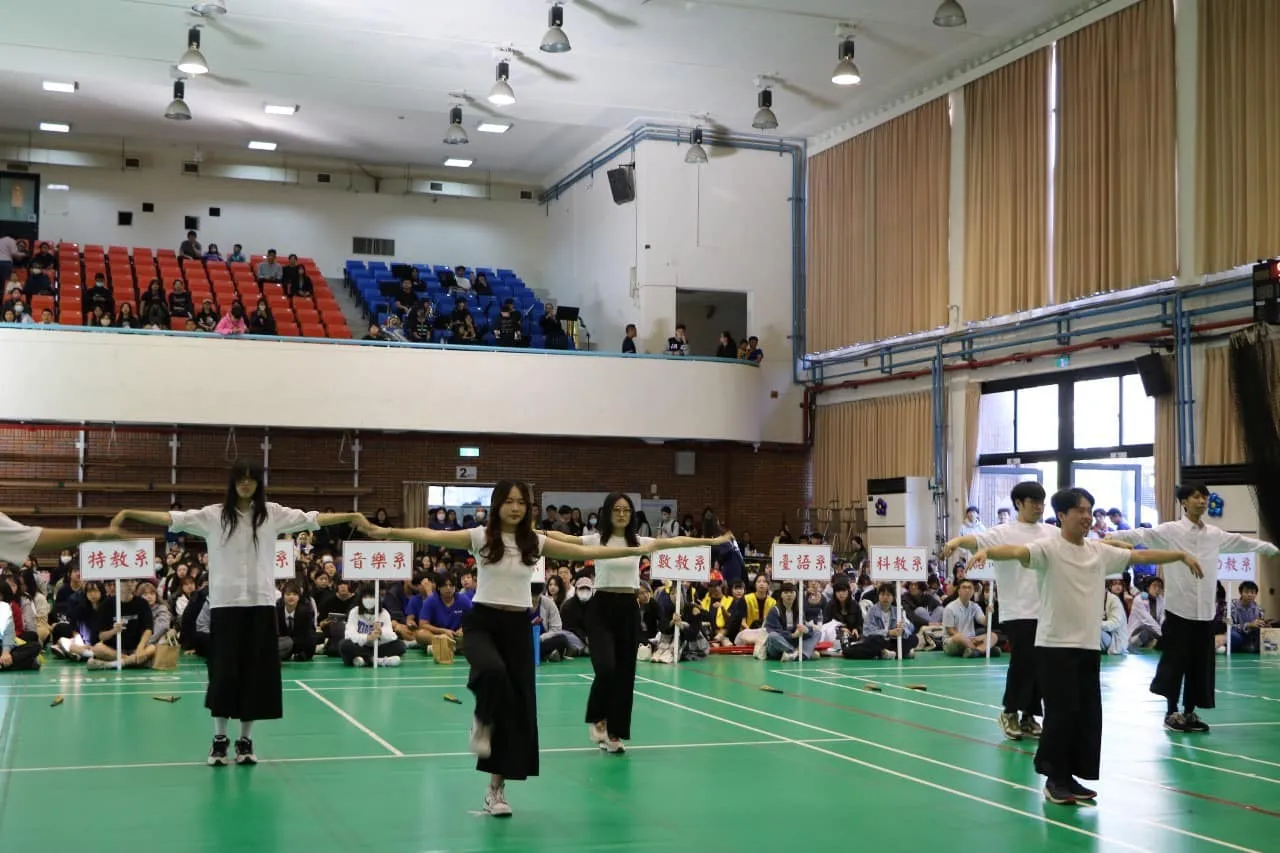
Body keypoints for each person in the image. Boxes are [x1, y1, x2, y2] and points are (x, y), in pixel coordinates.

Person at [356, 479, 675, 818]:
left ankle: (496, 789)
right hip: (483, 622)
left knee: (516, 710)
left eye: (521, 502)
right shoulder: (480, 536)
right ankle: (481, 719)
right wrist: (383, 531)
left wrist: (632, 550)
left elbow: (588, 553)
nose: (515, 507)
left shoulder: (534, 541)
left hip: (518, 627)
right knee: (492, 671)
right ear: (497, 504)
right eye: (509, 501)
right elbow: (431, 535)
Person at [111, 461, 366, 768]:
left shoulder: (271, 514)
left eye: (251, 479)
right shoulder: (213, 516)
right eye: (240, 479)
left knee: (254, 676)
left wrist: (350, 516)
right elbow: (171, 518)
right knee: (223, 675)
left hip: (260, 606)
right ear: (232, 483)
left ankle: (246, 740)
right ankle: (219, 738)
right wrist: (129, 512)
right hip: (225, 607)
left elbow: (311, 518)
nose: (246, 484)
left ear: (258, 483)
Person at [968, 487, 1201, 806]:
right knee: (1060, 715)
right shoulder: (1048, 547)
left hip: (1088, 646)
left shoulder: (1098, 551)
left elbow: (1141, 556)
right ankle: (1054, 779)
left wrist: (1180, 556)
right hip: (1054, 646)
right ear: (1062, 515)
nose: (1087, 516)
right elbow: (1017, 552)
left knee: (1085, 715)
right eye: (1080, 510)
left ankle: (1071, 776)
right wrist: (988, 552)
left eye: (1090, 510)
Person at [544, 493, 729, 754]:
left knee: (624, 674)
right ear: (608, 512)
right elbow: (566, 539)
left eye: (626, 510)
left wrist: (709, 541)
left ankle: (614, 734)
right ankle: (598, 718)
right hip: (601, 608)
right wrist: (538, 533)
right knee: (606, 668)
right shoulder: (598, 539)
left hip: (628, 609)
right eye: (616, 509)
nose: (621, 514)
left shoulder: (639, 541)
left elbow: (675, 541)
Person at [1105, 482, 1279, 733]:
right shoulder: (1171, 531)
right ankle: (1171, 712)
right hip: (1179, 611)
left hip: (1205, 613)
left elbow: (1240, 541)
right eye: (1196, 497)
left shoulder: (1214, 534)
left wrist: (1268, 547)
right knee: (1175, 663)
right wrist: (1111, 537)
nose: (1202, 501)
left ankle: (1189, 712)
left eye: (1205, 497)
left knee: (1200, 665)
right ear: (1184, 502)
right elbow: (1142, 535)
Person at [942, 481, 1053, 741]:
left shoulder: (1051, 532)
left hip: (1046, 609)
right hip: (1017, 609)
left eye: (1041, 502)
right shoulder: (1003, 532)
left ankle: (1029, 716)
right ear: (1019, 504)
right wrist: (956, 540)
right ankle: (1009, 712)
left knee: (1041, 665)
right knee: (1023, 662)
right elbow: (976, 540)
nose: (1039, 507)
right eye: (1033, 502)